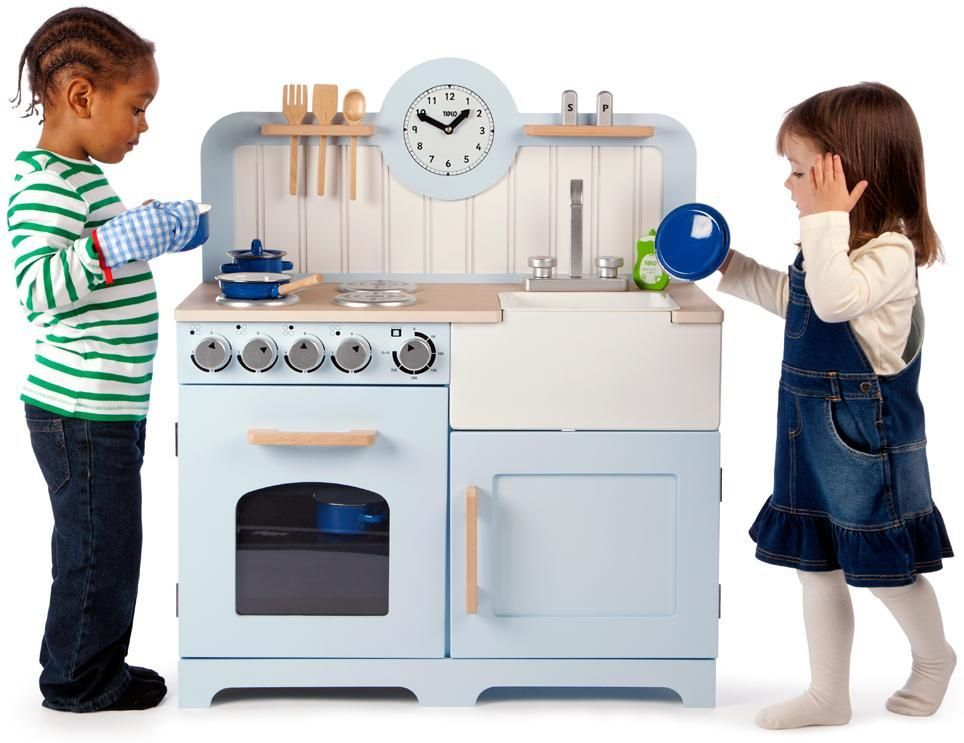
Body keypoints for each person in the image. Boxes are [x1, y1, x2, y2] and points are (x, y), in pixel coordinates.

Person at [717, 82, 955, 730]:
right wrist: (732, 267)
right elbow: (799, 298)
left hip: (863, 441)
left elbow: (831, 302)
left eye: (800, 172)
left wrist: (823, 221)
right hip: (807, 434)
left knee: (883, 570)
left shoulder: (889, 253)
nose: (789, 185)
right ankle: (828, 693)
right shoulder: (832, 250)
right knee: (814, 567)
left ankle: (934, 658)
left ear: (847, 178)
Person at [8, 7, 199, 712]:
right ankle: (77, 680)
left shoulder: (79, 176)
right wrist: (114, 243)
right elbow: (39, 289)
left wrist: (146, 229)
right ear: (83, 96)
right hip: (81, 408)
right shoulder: (45, 183)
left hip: (105, 406)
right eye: (137, 107)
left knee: (110, 544)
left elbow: (94, 258)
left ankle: (95, 662)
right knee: (97, 549)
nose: (143, 125)